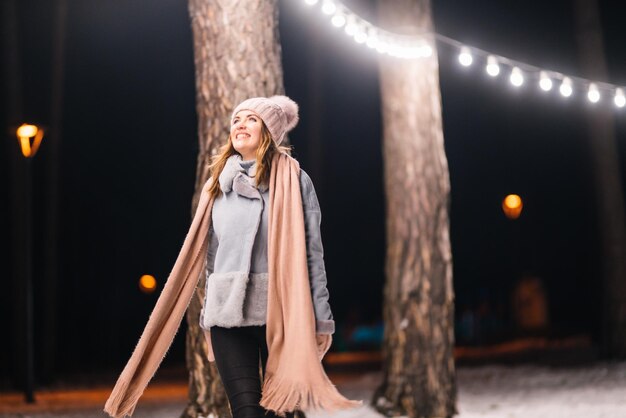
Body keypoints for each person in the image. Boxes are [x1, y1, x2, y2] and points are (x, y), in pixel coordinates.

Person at [104, 95, 359, 418]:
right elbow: (210, 256)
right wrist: (207, 313)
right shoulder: (217, 186)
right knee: (247, 412)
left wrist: (321, 319)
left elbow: (312, 255)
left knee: (282, 413)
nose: (240, 124)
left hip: (279, 313)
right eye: (237, 119)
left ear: (268, 130)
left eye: (251, 119)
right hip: (227, 316)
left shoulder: (294, 180)